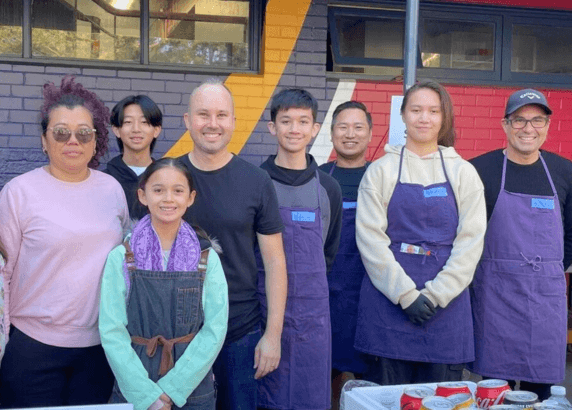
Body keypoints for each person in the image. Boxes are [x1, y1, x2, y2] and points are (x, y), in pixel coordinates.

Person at [0, 76, 129, 408]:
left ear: (95, 141)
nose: (73, 140)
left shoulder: (112, 190)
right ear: (44, 140)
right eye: (60, 132)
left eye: (84, 133)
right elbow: (2, 273)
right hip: (32, 348)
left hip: (100, 349)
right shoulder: (18, 193)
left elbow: (125, 263)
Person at [355, 80, 487, 384]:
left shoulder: (463, 172)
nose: (424, 118)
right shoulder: (381, 171)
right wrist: (405, 295)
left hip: (446, 309)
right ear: (403, 115)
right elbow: (370, 240)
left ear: (444, 117)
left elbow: (471, 242)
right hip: (388, 307)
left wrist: (436, 295)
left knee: (443, 400)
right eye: (416, 110)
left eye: (433, 111)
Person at [177, 78, 287, 410]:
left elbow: (275, 263)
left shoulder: (256, 181)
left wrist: (272, 335)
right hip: (178, 334)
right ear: (187, 120)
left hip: (239, 331)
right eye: (203, 114)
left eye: (221, 115)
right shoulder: (167, 179)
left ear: (234, 122)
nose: (212, 123)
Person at [99, 158, 228, 410]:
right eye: (158, 190)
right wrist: (146, 395)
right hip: (134, 383)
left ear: (190, 198)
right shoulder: (122, 257)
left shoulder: (206, 258)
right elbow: (111, 330)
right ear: (143, 195)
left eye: (178, 191)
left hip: (192, 384)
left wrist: (172, 390)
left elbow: (215, 329)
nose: (168, 199)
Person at [469, 89, 572, 400]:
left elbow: (571, 234)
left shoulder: (565, 171)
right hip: (494, 296)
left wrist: (548, 271)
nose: (529, 128)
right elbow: (466, 233)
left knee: (539, 393)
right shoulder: (478, 170)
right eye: (519, 120)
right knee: (494, 392)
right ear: (505, 124)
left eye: (537, 120)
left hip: (545, 300)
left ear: (548, 125)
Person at [258, 88, 342, 410]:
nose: (294, 129)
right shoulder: (255, 182)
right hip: (263, 313)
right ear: (272, 127)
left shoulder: (328, 188)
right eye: (286, 120)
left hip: (313, 319)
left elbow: (329, 252)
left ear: (315, 128)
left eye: (303, 121)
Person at [318, 101, 372, 400]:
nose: (350, 134)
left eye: (358, 127)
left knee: (369, 385)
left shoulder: (381, 177)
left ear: (370, 133)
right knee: (323, 379)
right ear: (332, 132)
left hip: (370, 296)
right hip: (324, 296)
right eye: (343, 127)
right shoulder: (316, 178)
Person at [106, 94, 163, 219]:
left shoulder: (165, 179)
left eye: (144, 122)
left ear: (156, 130)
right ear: (116, 130)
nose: (136, 129)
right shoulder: (105, 180)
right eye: (128, 122)